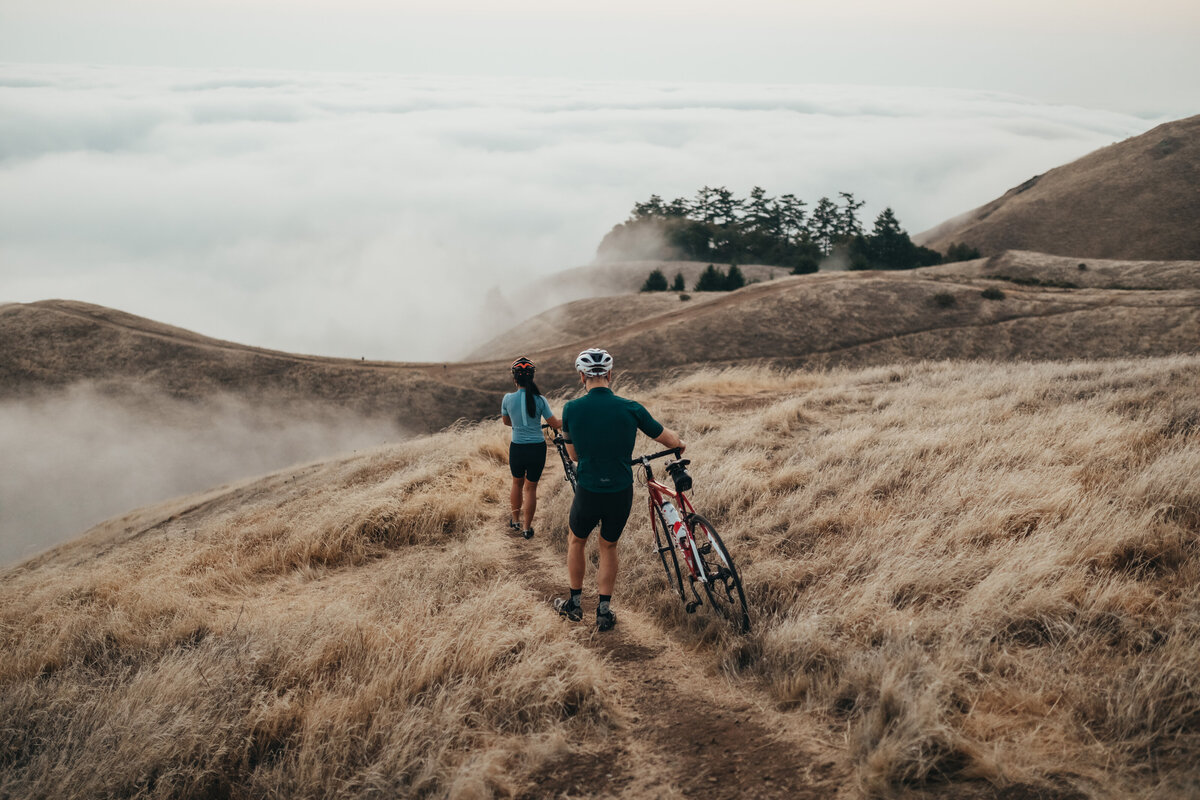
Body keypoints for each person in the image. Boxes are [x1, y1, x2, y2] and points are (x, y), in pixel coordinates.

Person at [554, 348, 684, 631]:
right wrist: (679, 444)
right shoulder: (631, 407)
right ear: (610, 375)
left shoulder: (571, 410)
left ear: (582, 376)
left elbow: (574, 456)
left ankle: (574, 604)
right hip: (620, 490)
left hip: (588, 489)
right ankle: (603, 611)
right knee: (608, 545)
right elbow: (667, 438)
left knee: (577, 540)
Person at [501, 356, 560, 539]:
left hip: (517, 448)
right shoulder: (540, 400)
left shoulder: (507, 399)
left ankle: (515, 520)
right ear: (532, 378)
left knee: (516, 484)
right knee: (531, 489)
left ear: (514, 379)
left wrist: (520, 427)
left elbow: (506, 422)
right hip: (537, 448)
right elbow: (554, 423)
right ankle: (527, 528)